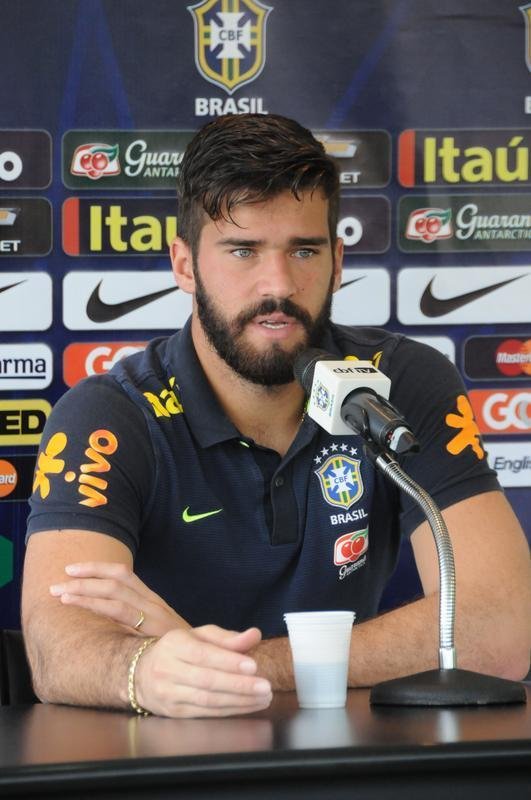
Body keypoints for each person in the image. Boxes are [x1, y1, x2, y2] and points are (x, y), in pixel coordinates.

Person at [22, 114, 530, 719]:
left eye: (304, 250)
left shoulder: (400, 383)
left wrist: (225, 666)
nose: (279, 285)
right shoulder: (110, 414)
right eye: (243, 250)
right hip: (170, 763)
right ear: (184, 265)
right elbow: (59, 651)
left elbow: (499, 629)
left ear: (338, 260)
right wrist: (142, 670)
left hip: (352, 762)